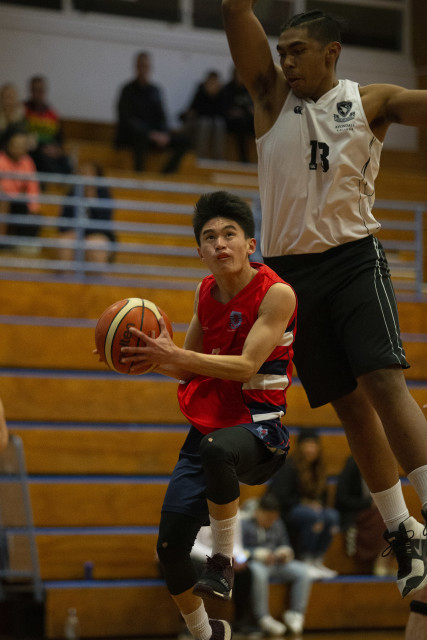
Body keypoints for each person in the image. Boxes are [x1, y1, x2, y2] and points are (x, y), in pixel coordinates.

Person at [221, 1, 427, 599]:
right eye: (281, 52)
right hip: (289, 277)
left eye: (298, 52)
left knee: (384, 382)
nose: (285, 62)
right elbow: (235, 10)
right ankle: (403, 529)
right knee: (349, 407)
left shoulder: (369, 101)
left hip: (354, 259)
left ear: (331, 52)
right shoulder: (270, 98)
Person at [117, 190, 297, 640]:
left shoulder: (277, 293)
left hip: (260, 428)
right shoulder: (204, 292)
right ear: (200, 251)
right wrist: (146, 357)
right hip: (210, 429)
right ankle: (207, 632)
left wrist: (173, 354)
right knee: (169, 549)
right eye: (210, 237)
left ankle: (222, 560)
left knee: (217, 449)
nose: (220, 243)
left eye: (229, 234)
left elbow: (246, 367)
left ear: (250, 244)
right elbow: (188, 365)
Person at [267, 428, 339, 577]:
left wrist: (317, 505)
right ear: (300, 446)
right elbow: (280, 497)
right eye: (307, 444)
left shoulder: (319, 468)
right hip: (289, 511)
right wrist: (304, 503)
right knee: (311, 516)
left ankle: (317, 560)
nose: (311, 449)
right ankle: (305, 559)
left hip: (313, 510)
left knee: (331, 516)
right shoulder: (289, 466)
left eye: (314, 445)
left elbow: (324, 497)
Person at [241, 493, 313, 636]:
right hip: (256, 563)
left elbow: (285, 544)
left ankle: (296, 613)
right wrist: (256, 554)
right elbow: (238, 551)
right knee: (258, 573)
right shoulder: (244, 524)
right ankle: (262, 617)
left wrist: (285, 552)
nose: (271, 521)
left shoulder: (278, 523)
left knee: (302, 571)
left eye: (273, 518)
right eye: (268, 517)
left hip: (277, 563)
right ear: (258, 512)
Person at [115, 51, 191, 173]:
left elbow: (162, 117)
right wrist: (150, 134)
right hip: (134, 136)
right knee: (140, 138)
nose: (143, 69)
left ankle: (166, 175)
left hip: (153, 136)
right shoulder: (127, 90)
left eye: (146, 66)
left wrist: (163, 134)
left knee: (184, 141)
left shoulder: (155, 90)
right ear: (136, 67)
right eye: (141, 65)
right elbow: (126, 119)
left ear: (150, 67)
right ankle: (139, 175)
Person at [190, 515, 259, 635]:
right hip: (197, 558)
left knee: (244, 572)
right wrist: (220, 558)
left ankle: (241, 622)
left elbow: (236, 543)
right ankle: (192, 623)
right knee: (191, 570)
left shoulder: (233, 511)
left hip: (222, 559)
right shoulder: (194, 510)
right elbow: (192, 546)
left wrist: (236, 557)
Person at [335, 454, 396, 576]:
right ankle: (380, 561)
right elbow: (341, 499)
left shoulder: (382, 464)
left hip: (375, 511)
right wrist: (368, 504)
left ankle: (386, 561)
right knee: (382, 517)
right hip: (355, 512)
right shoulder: (353, 464)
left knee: (394, 515)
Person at [57, 161, 116, 265]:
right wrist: (74, 232)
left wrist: (92, 200)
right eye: (82, 173)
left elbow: (104, 223)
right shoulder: (72, 195)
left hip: (97, 235)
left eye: (89, 173)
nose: (85, 177)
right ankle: (66, 274)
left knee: (95, 245)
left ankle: (98, 274)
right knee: (64, 243)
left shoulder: (104, 195)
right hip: (75, 233)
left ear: (97, 177)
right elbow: (62, 222)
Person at [24, 75, 73, 175]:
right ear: (31, 91)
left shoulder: (52, 113)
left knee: (66, 163)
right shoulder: (23, 110)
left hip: (50, 151)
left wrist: (56, 149)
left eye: (41, 90)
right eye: (36, 90)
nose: (38, 93)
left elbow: (60, 138)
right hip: (31, 151)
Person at [0, 127, 40, 247]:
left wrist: (33, 207)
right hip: (3, 201)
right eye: (16, 145)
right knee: (4, 203)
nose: (19, 148)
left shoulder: (28, 162)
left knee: (34, 215)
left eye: (23, 145)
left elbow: (33, 187)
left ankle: (20, 245)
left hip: (18, 202)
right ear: (8, 144)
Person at [181, 70, 226, 160]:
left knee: (219, 123)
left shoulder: (222, 92)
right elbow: (195, 108)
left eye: (214, 81)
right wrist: (207, 94)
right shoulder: (201, 90)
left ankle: (218, 156)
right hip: (201, 120)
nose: (212, 83)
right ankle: (201, 155)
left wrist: (215, 95)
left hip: (215, 121)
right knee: (205, 122)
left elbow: (223, 111)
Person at [222, 67, 255, 163]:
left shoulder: (250, 88)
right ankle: (243, 158)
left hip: (249, 119)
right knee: (241, 123)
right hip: (233, 121)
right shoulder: (228, 89)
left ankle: (261, 157)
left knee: (258, 123)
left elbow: (256, 105)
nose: (240, 77)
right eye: (239, 75)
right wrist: (234, 112)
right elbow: (224, 108)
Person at [0, 83, 26, 150]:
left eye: (11, 97)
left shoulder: (20, 118)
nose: (8, 101)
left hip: (16, 152)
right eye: (6, 97)